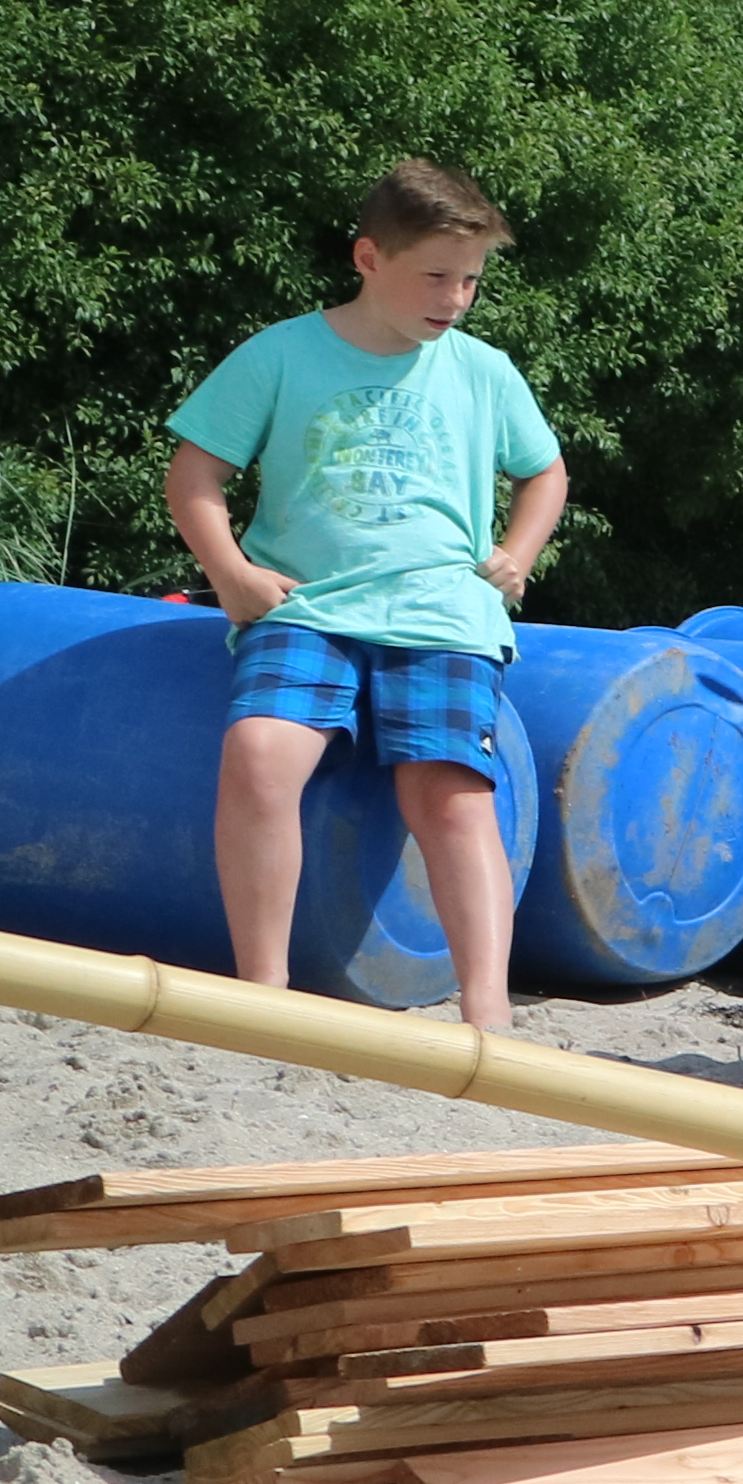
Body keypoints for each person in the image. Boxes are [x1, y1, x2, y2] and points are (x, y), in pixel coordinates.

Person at [160, 160, 567, 1028]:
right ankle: (261, 995)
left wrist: (517, 553)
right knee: (262, 755)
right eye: (436, 276)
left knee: (450, 793)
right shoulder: (280, 353)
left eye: (470, 280)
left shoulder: (484, 371)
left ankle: (488, 1014)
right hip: (308, 606)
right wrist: (231, 572)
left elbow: (546, 474)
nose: (455, 298)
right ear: (368, 258)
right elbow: (195, 470)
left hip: (443, 614)